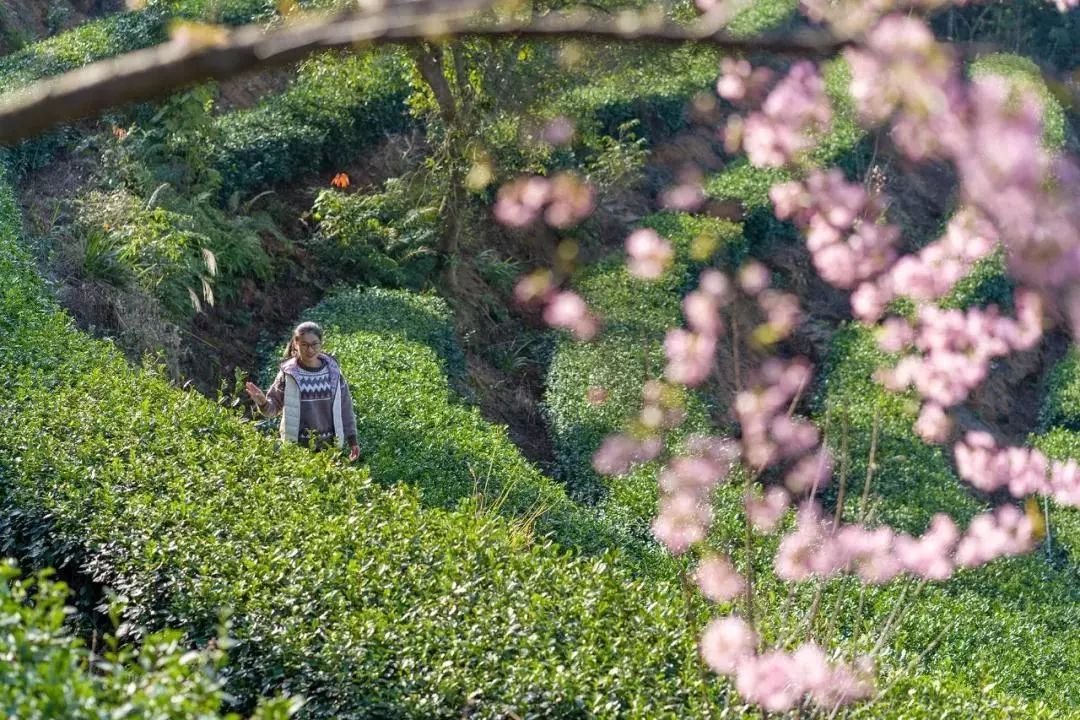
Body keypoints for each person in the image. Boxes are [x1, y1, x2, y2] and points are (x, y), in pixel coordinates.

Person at [245, 321, 361, 461]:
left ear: (321, 343)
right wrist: (262, 402)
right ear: (296, 344)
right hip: (297, 448)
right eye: (304, 345)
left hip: (330, 447)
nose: (310, 350)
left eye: (314, 344)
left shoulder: (334, 373)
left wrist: (352, 440)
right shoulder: (288, 374)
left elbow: (345, 408)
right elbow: (273, 410)